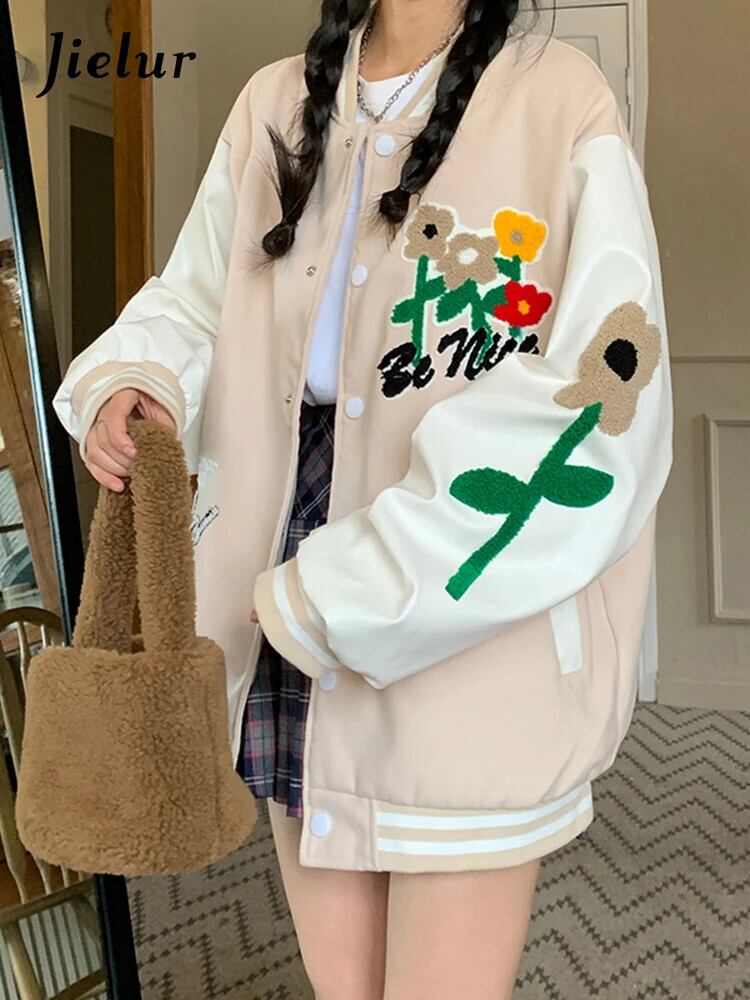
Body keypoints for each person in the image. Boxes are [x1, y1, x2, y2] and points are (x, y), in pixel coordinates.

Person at [54, 1, 674, 997]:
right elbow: (198, 297)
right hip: (281, 560)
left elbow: (606, 393)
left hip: (462, 607)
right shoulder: (273, 103)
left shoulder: (561, 100)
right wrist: (140, 374)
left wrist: (367, 580)